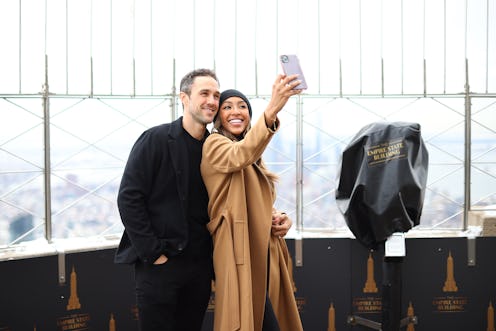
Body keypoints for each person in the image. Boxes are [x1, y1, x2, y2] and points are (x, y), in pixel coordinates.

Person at [114, 68, 221, 331]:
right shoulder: (156, 139)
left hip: (199, 267)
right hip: (161, 266)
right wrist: (154, 253)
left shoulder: (217, 148)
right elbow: (129, 197)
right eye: (204, 93)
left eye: (216, 95)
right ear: (184, 98)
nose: (212, 101)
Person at [200, 75, 305, 331]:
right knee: (249, 319)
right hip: (238, 250)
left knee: (263, 318)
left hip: (261, 250)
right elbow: (239, 156)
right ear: (217, 118)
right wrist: (272, 110)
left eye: (242, 106)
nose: (236, 111)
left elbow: (254, 199)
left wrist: (278, 216)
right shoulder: (215, 144)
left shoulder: (252, 155)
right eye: (227, 107)